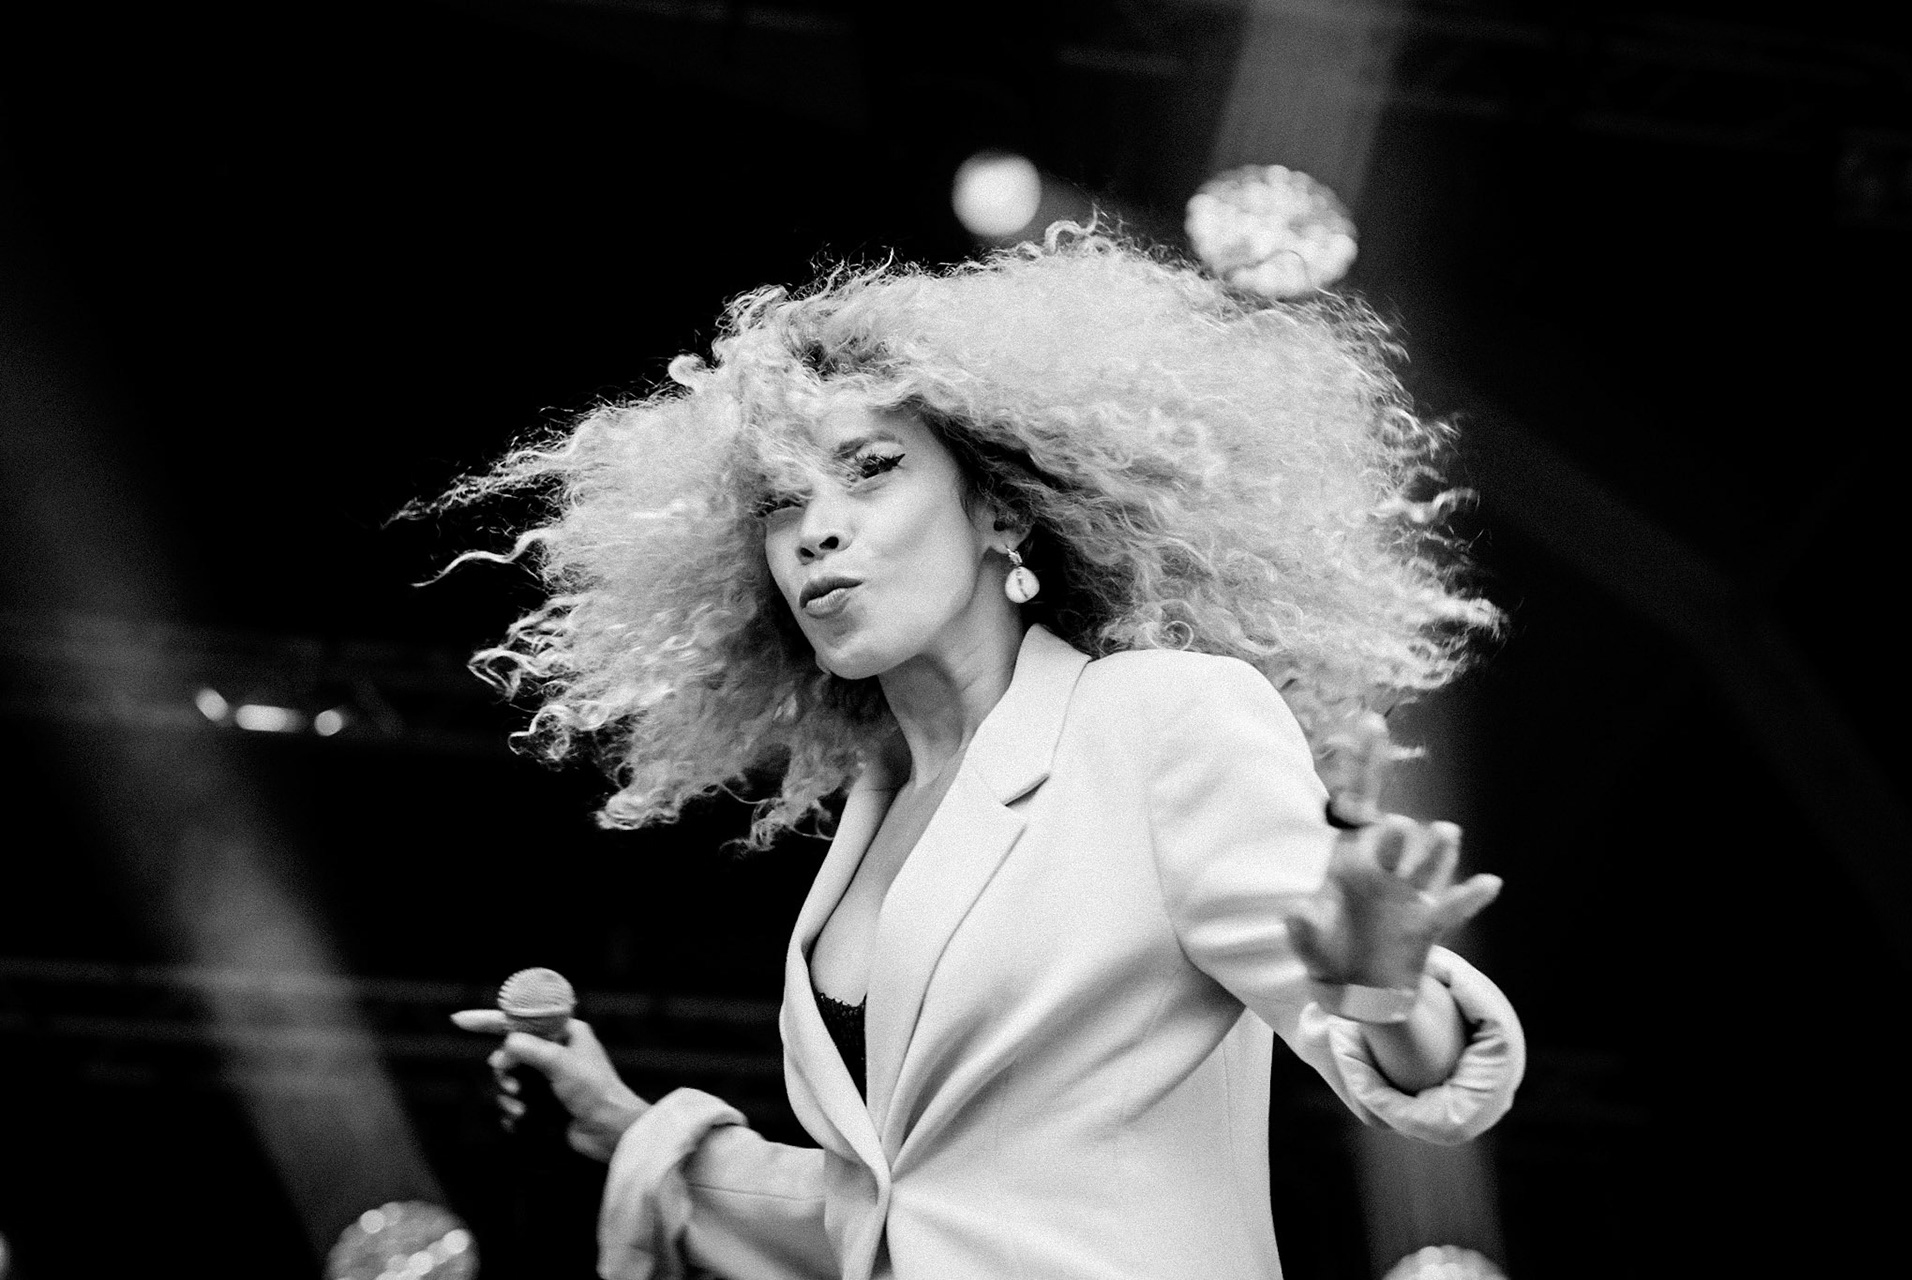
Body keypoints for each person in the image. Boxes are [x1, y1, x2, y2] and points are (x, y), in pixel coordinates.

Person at [447, 226, 1523, 1280]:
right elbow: (900, 1212)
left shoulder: (1156, 722)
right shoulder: (877, 810)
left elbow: (1409, 1072)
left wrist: (1384, 984)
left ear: (1001, 511)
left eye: (870, 469)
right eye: (782, 502)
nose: (816, 529)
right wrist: (626, 1126)